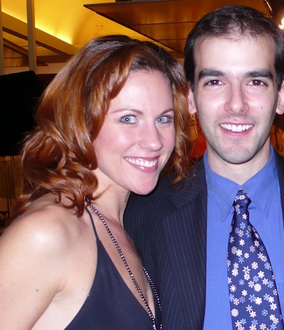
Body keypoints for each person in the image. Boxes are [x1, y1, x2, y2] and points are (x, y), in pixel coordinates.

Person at [124, 5, 284, 330]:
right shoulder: (142, 216)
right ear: (190, 97)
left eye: (256, 82)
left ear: (282, 95)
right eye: (215, 82)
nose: (236, 104)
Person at [0, 35, 191, 329]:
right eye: (128, 118)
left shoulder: (127, 223)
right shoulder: (47, 233)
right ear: (81, 122)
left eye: (163, 119)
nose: (154, 141)